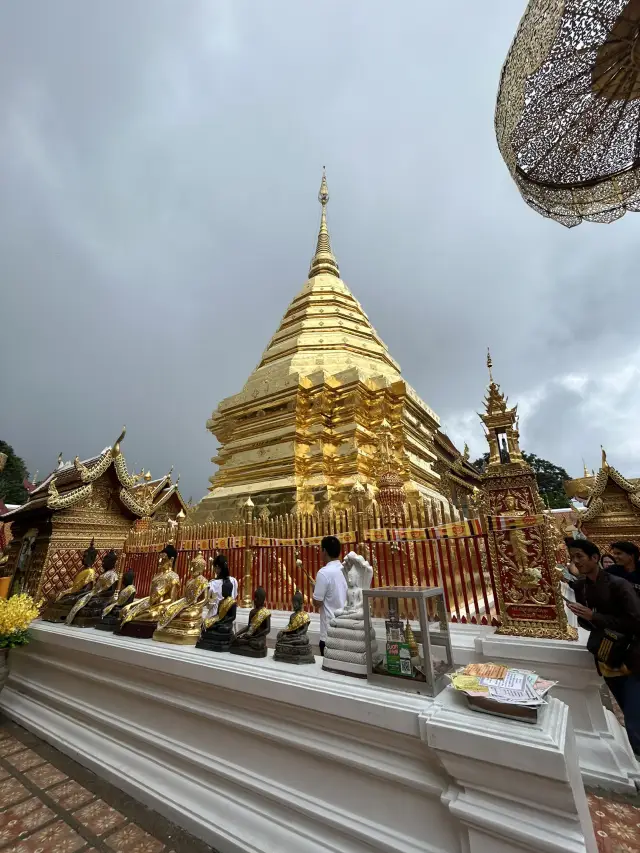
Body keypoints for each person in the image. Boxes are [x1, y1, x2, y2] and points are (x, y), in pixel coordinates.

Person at [566, 539, 640, 756]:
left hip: (630, 656)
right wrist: (582, 615)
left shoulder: (619, 584)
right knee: (628, 711)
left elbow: (636, 622)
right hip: (606, 655)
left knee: (635, 720)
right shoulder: (582, 587)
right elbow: (588, 624)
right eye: (572, 558)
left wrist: (594, 616)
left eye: (580, 556)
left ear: (595, 558)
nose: (575, 561)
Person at [313, 535, 347, 657]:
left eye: (321, 550)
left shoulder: (324, 573)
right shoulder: (346, 569)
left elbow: (317, 603)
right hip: (346, 629)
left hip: (329, 631)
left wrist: (314, 589)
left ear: (325, 551)